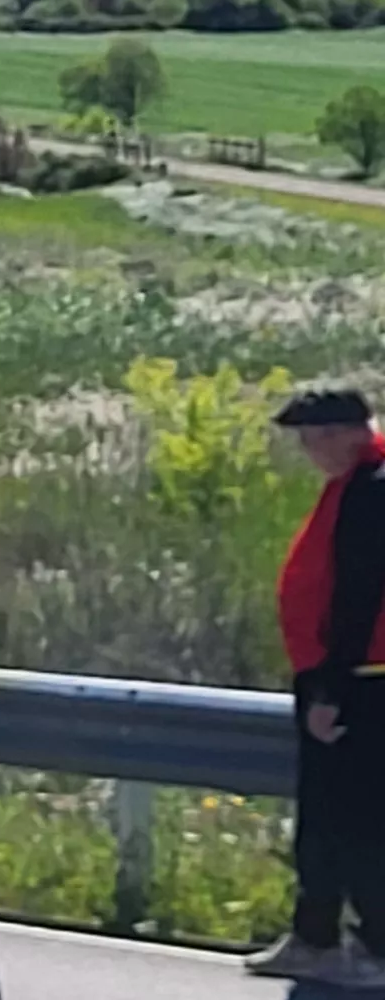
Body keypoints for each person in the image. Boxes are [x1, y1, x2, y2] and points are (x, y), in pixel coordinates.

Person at [259, 386, 385, 984]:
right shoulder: (354, 484)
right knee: (327, 816)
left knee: (359, 819)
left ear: (352, 431)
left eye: (318, 438)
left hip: (362, 680)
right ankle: (316, 936)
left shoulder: (374, 489)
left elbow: (359, 598)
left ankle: (377, 947)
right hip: (341, 673)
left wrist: (331, 693)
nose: (312, 451)